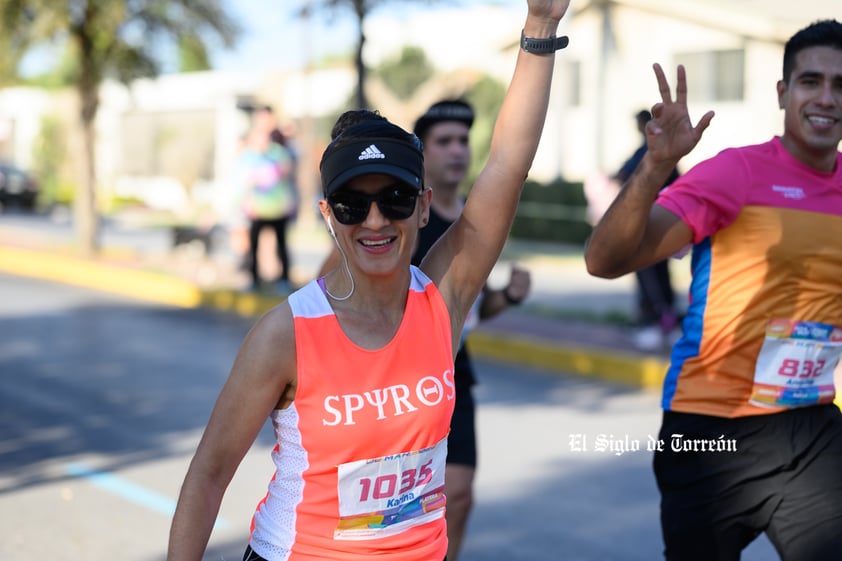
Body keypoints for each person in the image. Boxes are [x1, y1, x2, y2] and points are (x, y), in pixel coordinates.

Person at [167, 2, 571, 560]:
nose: (376, 220)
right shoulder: (286, 333)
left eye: (395, 199)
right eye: (353, 205)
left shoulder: (443, 299)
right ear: (328, 214)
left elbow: (505, 163)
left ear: (425, 207)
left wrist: (540, 29)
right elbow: (210, 473)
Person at [584, 19, 842, 561]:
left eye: (840, 85)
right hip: (709, 432)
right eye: (811, 81)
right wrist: (655, 166)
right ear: (782, 92)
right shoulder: (735, 174)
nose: (826, 98)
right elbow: (604, 260)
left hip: (811, 422)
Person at [411, 98, 531, 561]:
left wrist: (509, 297)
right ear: (421, 152)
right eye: (444, 141)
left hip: (454, 369)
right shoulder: (401, 219)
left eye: (463, 140)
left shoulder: (474, 219)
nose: (457, 150)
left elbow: (467, 310)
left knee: (457, 497)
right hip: (397, 378)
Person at [613, 109, 681, 352]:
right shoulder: (657, 151)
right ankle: (666, 324)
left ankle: (656, 324)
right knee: (658, 275)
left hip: (645, 225)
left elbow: (624, 176)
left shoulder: (648, 152)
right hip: (661, 225)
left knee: (648, 277)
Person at [234, 105, 299, 293]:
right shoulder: (248, 156)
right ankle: (254, 279)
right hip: (257, 210)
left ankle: (284, 279)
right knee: (253, 247)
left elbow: (287, 172)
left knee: (282, 246)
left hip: (278, 208)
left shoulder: (279, 153)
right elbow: (243, 181)